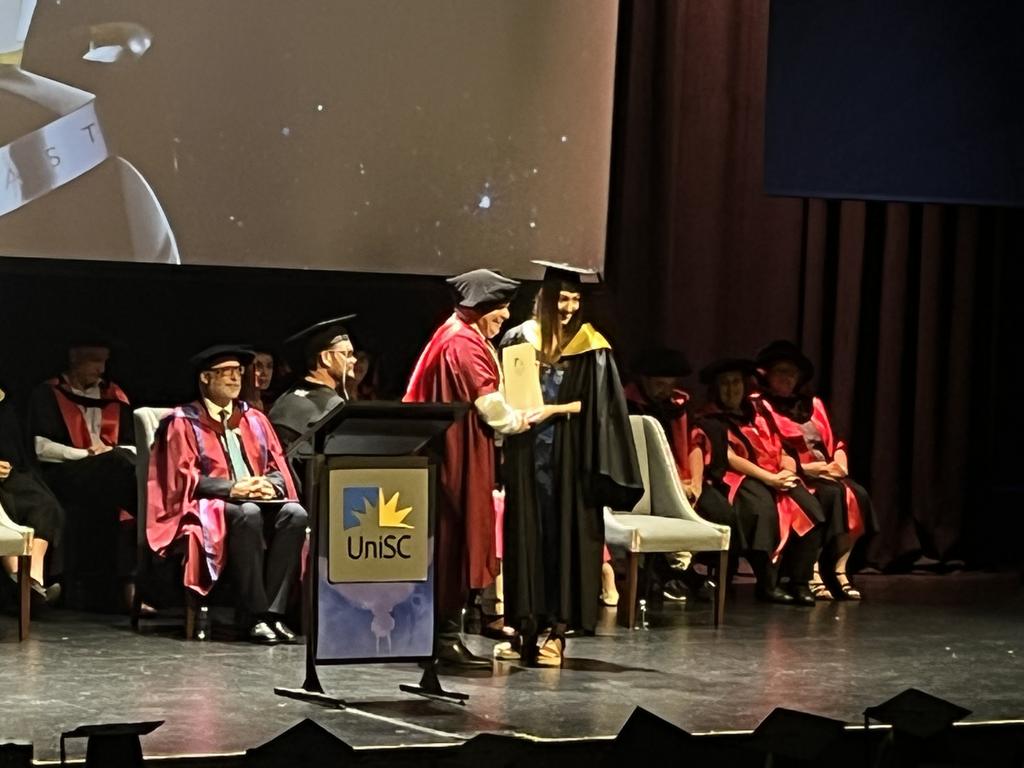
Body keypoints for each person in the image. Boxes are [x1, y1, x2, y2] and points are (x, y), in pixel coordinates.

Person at [499, 261, 643, 666]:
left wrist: (550, 410)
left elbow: (601, 408)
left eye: (576, 299)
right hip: (527, 458)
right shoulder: (517, 340)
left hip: (570, 458)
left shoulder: (591, 347)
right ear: (544, 299)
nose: (569, 307)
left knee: (564, 542)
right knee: (526, 539)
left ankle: (556, 634)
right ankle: (524, 630)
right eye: (562, 298)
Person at [404, 268, 535, 668]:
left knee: (451, 537)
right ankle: (443, 637)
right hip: (455, 453)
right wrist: (524, 419)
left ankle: (440, 632)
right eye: (501, 310)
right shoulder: (463, 343)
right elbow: (490, 406)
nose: (505, 318)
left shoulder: (454, 333)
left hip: (452, 448)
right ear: (482, 308)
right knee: (454, 536)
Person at [147, 345, 307, 644]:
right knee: (248, 513)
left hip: (255, 497)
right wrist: (233, 489)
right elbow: (182, 478)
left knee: (295, 514)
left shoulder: (255, 419)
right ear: (206, 378)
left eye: (238, 372)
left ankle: (273, 614)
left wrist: (268, 484)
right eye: (226, 373)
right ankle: (254, 614)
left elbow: (278, 465)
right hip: (208, 503)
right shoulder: (183, 421)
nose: (236, 379)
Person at [753, 340, 877, 600]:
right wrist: (807, 469)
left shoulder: (813, 403)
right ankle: (813, 569)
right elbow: (769, 449)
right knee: (830, 496)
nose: (787, 378)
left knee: (857, 494)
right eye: (781, 372)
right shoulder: (760, 405)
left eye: (792, 373)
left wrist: (840, 462)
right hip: (792, 474)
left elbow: (837, 438)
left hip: (825, 471)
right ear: (768, 375)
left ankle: (840, 570)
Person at [698, 358, 823, 606]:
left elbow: (782, 445)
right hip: (739, 478)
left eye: (736, 382)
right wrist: (769, 478)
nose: (731, 389)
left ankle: (798, 582)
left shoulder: (758, 412)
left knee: (811, 510)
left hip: (776, 474)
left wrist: (787, 469)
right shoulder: (709, 418)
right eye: (724, 384)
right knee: (761, 511)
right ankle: (767, 583)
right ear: (715, 388)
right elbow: (729, 458)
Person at [27, 335, 137, 608]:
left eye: (104, 362)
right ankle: (130, 591)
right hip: (63, 476)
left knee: (124, 472)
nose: (101, 369)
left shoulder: (115, 396)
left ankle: (129, 587)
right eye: (94, 361)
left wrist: (111, 454)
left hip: (110, 475)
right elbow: (39, 446)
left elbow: (132, 445)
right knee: (123, 471)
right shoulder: (48, 393)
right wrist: (86, 454)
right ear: (75, 360)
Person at [624, 346, 736, 601]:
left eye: (669, 384)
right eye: (659, 384)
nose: (665, 390)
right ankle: (670, 577)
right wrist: (676, 485)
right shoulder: (627, 404)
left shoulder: (679, 404)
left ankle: (695, 575)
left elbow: (695, 443)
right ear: (644, 380)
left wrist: (695, 484)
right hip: (646, 484)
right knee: (663, 518)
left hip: (684, 480)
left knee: (722, 513)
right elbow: (644, 454)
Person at [0, 386, 63, 604]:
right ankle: (18, 581)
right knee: (5, 508)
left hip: (7, 475)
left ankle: (32, 580)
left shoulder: (4, 402)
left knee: (44, 503)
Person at [268, 316, 356, 471]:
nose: (354, 360)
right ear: (326, 358)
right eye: (347, 354)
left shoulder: (288, 398)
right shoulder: (319, 407)